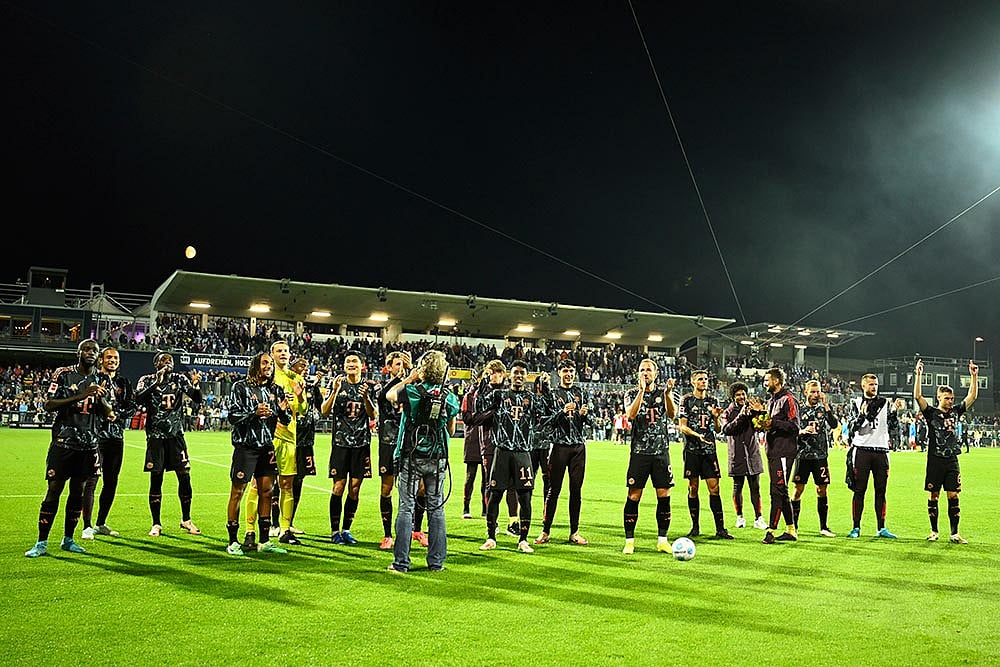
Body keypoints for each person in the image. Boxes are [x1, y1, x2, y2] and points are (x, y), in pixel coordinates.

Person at [25, 339, 112, 558]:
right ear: (78, 352)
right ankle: (41, 542)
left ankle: (69, 539)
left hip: (89, 444)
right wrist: (82, 395)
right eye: (87, 349)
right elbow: (49, 404)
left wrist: (100, 400)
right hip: (63, 442)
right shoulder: (63, 374)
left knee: (78, 491)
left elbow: (107, 412)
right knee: (54, 490)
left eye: (95, 351)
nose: (91, 353)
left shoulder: (102, 378)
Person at [386, 350, 460, 572]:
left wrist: (409, 378)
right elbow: (452, 429)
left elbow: (390, 395)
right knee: (436, 508)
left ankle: (401, 563)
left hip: (411, 455)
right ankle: (436, 563)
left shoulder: (412, 390)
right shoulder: (449, 396)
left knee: (406, 508)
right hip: (437, 457)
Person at [475, 360, 547, 553]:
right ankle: (491, 537)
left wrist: (545, 389)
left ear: (526, 376)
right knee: (495, 494)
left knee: (525, 497)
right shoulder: (499, 395)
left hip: (523, 453)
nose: (519, 376)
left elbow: (547, 414)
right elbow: (479, 405)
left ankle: (523, 539)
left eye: (522, 373)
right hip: (502, 452)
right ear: (510, 375)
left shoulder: (531, 399)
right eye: (515, 372)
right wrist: (483, 381)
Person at [224, 352, 291, 555]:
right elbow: (232, 416)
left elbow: (286, 419)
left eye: (270, 363)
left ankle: (264, 541)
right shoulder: (240, 387)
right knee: (238, 492)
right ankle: (233, 541)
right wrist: (254, 413)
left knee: (267, 492)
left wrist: (282, 410)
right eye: (265, 363)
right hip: (246, 447)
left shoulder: (276, 390)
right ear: (255, 365)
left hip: (267, 447)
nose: (269, 366)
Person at [242, 340, 307, 548]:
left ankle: (285, 530)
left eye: (286, 351)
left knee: (287, 484)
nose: (283, 354)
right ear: (271, 355)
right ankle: (250, 531)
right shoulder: (267, 376)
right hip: (268, 437)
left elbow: (303, 410)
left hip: (290, 437)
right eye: (279, 351)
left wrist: (299, 396)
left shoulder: (296, 378)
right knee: (258, 485)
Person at [134, 352, 203, 537]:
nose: (168, 363)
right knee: (156, 478)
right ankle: (156, 523)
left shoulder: (179, 379)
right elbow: (138, 398)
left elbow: (197, 399)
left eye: (170, 361)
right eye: (164, 360)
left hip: (176, 436)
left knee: (184, 476)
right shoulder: (146, 380)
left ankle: (186, 519)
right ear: (156, 363)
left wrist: (196, 384)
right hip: (155, 437)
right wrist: (156, 382)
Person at [913, 358, 978, 544]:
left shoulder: (956, 412)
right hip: (934, 460)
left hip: (951, 460)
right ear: (938, 398)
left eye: (951, 398)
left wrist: (974, 376)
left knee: (954, 495)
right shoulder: (931, 412)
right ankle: (934, 531)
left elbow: (972, 397)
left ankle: (954, 533)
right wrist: (918, 375)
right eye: (946, 398)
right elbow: (918, 397)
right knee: (934, 495)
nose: (950, 402)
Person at [619, 359, 677, 554]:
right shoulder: (630, 394)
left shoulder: (664, 393)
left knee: (664, 496)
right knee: (634, 495)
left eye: (649, 370)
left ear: (656, 373)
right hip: (639, 453)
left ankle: (662, 540)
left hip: (661, 453)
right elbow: (631, 415)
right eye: (642, 370)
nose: (645, 373)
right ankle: (629, 541)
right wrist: (642, 392)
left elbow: (672, 414)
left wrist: (668, 394)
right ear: (638, 374)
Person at [81, 346, 135, 539]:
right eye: (109, 357)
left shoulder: (124, 382)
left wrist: (116, 414)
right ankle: (86, 526)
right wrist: (104, 414)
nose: (112, 360)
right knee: (92, 479)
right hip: (95, 436)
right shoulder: (93, 380)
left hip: (116, 437)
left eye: (115, 358)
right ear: (101, 360)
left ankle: (100, 523)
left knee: (111, 481)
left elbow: (132, 407)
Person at [322, 353, 376, 545]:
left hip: (361, 445)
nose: (350, 364)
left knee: (354, 489)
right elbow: (324, 410)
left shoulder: (368, 387)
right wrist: (335, 391)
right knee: (339, 486)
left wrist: (366, 397)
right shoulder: (337, 383)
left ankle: (346, 530)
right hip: (340, 444)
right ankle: (334, 531)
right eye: (347, 362)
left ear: (362, 366)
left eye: (354, 362)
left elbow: (373, 414)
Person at [535, 359, 590, 546]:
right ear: (559, 373)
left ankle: (574, 532)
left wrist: (584, 416)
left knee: (576, 490)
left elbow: (588, 422)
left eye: (572, 370)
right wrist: (562, 411)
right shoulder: (552, 394)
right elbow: (545, 421)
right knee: (553, 490)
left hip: (578, 447)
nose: (569, 374)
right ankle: (545, 531)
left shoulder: (580, 393)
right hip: (559, 447)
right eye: (565, 370)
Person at [375, 351, 426, 550]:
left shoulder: (413, 387)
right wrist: (407, 377)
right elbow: (387, 397)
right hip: (389, 443)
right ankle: (388, 535)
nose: (401, 367)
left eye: (403, 364)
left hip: (410, 444)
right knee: (387, 488)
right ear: (389, 368)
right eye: (397, 364)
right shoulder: (384, 388)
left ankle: (417, 530)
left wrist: (411, 377)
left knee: (420, 488)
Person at [677, 369, 733, 539]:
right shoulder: (686, 400)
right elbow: (682, 426)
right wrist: (697, 435)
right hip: (692, 450)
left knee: (714, 488)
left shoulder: (713, 400)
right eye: (700, 379)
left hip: (709, 450)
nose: (704, 381)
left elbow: (717, 429)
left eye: (706, 379)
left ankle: (720, 529)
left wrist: (716, 418)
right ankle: (695, 527)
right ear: (693, 382)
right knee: (693, 488)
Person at [845, 372, 899, 539]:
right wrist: (862, 415)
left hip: (881, 450)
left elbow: (892, 426)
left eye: (875, 385)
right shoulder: (856, 403)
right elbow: (852, 427)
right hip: (862, 450)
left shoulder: (884, 403)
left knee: (881, 491)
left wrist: (895, 412)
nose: (874, 387)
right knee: (859, 490)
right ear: (863, 386)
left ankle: (881, 528)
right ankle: (856, 527)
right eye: (870, 384)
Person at [757, 367, 800, 544]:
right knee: (781, 490)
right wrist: (763, 423)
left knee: (777, 490)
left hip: (784, 451)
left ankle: (772, 530)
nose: (765, 383)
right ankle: (791, 530)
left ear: (776, 381)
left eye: (767, 380)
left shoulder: (788, 399)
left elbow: (795, 426)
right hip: (773, 451)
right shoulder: (772, 401)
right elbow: (772, 424)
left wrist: (772, 422)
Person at [791, 380, 838, 537]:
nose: (815, 395)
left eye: (818, 392)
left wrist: (826, 406)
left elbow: (834, 424)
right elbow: (791, 431)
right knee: (798, 490)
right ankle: (794, 526)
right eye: (812, 392)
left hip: (820, 456)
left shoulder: (823, 410)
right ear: (805, 393)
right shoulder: (798, 410)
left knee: (822, 489)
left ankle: (824, 527)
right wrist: (802, 431)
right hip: (803, 456)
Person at [720, 381, 766, 531]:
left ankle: (759, 518)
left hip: (752, 454)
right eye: (738, 394)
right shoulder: (727, 412)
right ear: (733, 397)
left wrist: (761, 412)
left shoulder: (752, 410)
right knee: (737, 487)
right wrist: (742, 415)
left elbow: (762, 427)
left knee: (756, 487)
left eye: (743, 394)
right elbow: (726, 429)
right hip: (737, 455)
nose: (741, 397)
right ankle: (739, 516)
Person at [288, 357, 323, 533]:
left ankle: (289, 522)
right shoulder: (285, 384)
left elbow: (323, 409)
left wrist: (320, 387)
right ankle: (274, 523)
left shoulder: (312, 387)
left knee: (298, 481)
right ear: (292, 367)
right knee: (283, 481)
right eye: (301, 365)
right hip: (287, 439)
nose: (305, 368)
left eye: (307, 366)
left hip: (306, 441)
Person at [460, 376, 487, 519]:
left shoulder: (489, 395)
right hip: (472, 439)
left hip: (486, 440)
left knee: (486, 478)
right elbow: (467, 418)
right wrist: (483, 416)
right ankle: (466, 508)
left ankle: (485, 508)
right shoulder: (469, 396)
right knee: (470, 476)